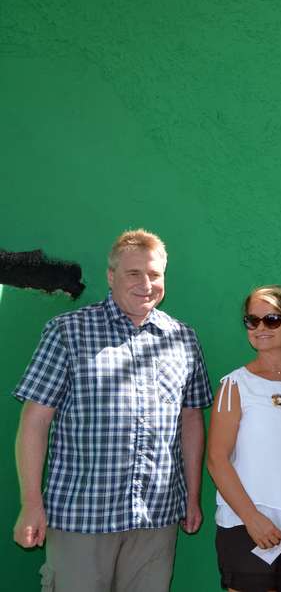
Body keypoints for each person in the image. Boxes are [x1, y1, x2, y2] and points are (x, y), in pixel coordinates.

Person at [12, 229, 213, 592]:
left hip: (156, 518)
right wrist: (31, 504)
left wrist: (192, 496)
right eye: (133, 273)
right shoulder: (68, 332)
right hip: (81, 518)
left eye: (154, 274)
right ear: (111, 276)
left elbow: (191, 420)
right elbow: (34, 421)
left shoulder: (183, 338)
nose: (146, 284)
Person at [207, 285, 281, 591]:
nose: (260, 328)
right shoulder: (235, 385)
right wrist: (252, 519)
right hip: (245, 526)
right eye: (252, 320)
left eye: (272, 319)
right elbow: (217, 460)